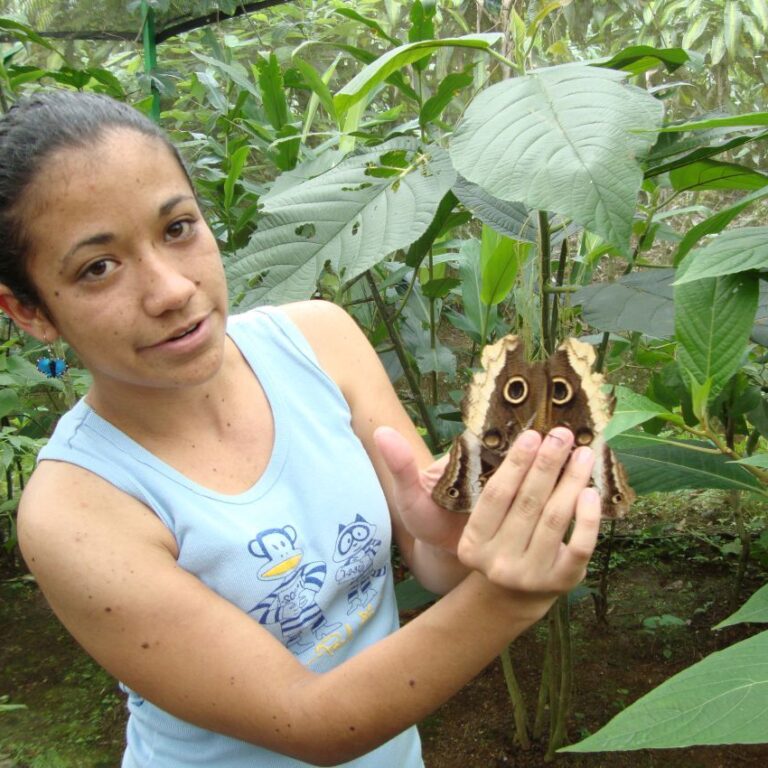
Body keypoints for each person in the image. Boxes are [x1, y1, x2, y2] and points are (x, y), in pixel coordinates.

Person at [0, 90, 601, 768]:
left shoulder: (320, 342)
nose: (170, 289)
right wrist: (514, 595)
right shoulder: (76, 509)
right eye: (97, 268)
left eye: (177, 228)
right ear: (28, 312)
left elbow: (432, 563)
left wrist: (459, 533)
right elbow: (308, 721)